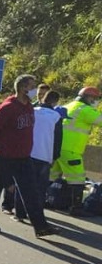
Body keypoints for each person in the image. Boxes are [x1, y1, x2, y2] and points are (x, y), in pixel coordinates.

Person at [0, 74, 60, 238]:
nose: (34, 90)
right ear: (23, 88)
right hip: (5, 156)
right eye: (32, 86)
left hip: (24, 157)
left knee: (31, 192)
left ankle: (41, 227)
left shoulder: (29, 106)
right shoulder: (7, 107)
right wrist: (3, 145)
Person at [6, 89, 63, 222]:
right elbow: (58, 139)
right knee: (39, 188)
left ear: (43, 98)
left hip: (27, 152)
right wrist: (55, 156)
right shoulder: (56, 116)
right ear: (55, 102)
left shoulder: (32, 110)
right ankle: (36, 216)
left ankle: (19, 213)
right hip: (44, 155)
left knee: (23, 184)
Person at [50, 86, 102, 215]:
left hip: (56, 147)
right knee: (78, 179)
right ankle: (76, 208)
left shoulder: (69, 105)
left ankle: (45, 200)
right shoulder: (85, 110)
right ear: (88, 98)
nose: (96, 101)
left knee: (51, 176)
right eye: (95, 98)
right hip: (71, 150)